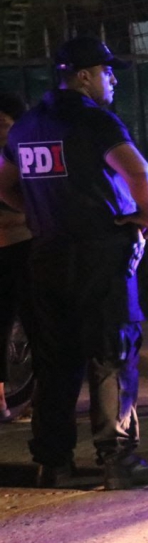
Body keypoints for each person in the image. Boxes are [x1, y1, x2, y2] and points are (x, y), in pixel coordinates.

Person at [0, 36, 148, 490]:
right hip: (100, 254)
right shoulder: (95, 121)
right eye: (106, 71)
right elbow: (139, 172)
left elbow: (4, 185)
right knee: (113, 353)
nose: (112, 79)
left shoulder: (26, 126)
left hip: (46, 256)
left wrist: (41, 212)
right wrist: (146, 218)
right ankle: (118, 460)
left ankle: (52, 463)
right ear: (83, 76)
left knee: (55, 360)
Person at [0, 92, 32, 423]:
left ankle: (41, 399)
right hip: (9, 248)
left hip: (24, 248)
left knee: (38, 323)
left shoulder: (24, 155)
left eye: (3, 123)